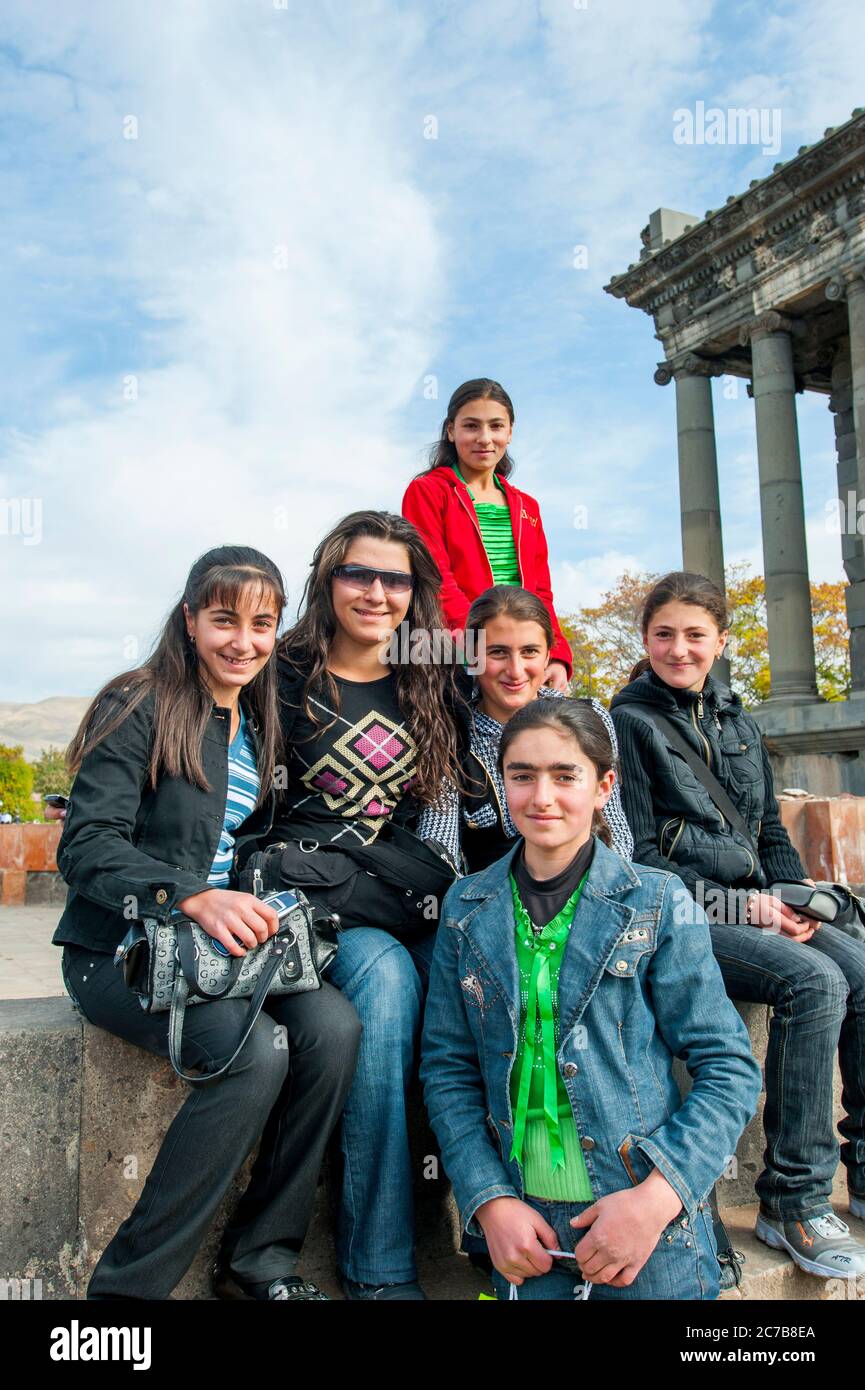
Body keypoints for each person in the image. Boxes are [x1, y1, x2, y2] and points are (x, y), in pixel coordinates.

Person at [53, 545, 361, 1301]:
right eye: (224, 619)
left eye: (262, 624)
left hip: (224, 952)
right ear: (189, 618)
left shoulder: (256, 718)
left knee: (334, 1031)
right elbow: (86, 846)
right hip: (121, 951)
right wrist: (185, 896)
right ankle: (123, 1297)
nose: (244, 641)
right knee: (253, 1052)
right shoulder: (137, 702)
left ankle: (260, 1263)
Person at [421, 698, 761, 1299]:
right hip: (524, 1235)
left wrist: (656, 1200)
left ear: (605, 785)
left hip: (644, 1224)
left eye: (564, 775)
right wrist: (490, 1201)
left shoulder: (657, 902)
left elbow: (728, 1068)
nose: (542, 796)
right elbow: (448, 1068)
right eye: (522, 776)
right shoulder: (465, 907)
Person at [610, 570, 865, 1279]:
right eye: (663, 634)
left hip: (755, 905)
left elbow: (767, 833)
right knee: (812, 982)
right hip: (683, 912)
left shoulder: (736, 719)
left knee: (859, 965)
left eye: (695, 635)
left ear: (719, 641)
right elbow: (641, 856)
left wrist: (791, 898)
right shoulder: (628, 722)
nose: (679, 648)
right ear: (645, 640)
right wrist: (740, 906)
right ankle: (793, 1197)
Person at [269, 510, 462, 1300]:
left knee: (479, 988)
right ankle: (378, 1269)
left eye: (395, 579)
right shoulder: (281, 674)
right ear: (327, 579)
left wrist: (552, 667)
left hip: (398, 888)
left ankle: (515, 1231)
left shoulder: (431, 675)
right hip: (313, 897)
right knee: (384, 990)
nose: (376, 593)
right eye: (358, 574)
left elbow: (516, 668)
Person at [419, 585, 633, 870]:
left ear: (548, 656)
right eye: (498, 652)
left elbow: (614, 825)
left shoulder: (590, 717)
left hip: (588, 887)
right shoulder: (448, 730)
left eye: (530, 652)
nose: (516, 670)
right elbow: (438, 847)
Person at [402, 378, 572, 690]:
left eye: (496, 426)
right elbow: (435, 577)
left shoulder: (527, 507)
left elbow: (541, 593)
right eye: (471, 426)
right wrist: (481, 639)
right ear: (451, 431)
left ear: (510, 431)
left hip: (518, 653)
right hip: (455, 649)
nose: (484, 438)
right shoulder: (427, 491)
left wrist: (556, 652)